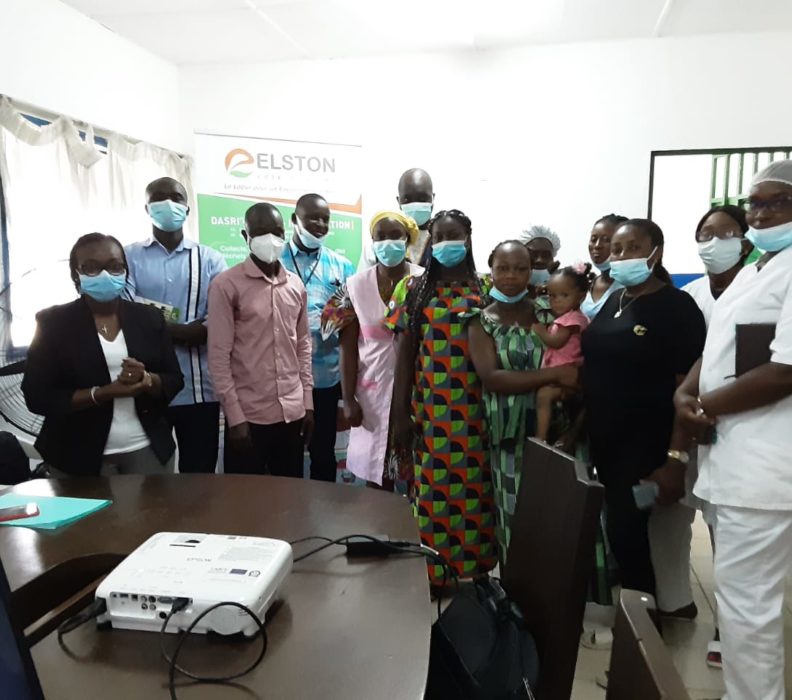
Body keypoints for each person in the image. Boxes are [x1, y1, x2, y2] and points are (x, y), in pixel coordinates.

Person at [674, 160, 792, 700]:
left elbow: (786, 369)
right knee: (742, 600)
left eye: (776, 202)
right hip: (734, 455)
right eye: (755, 204)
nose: (761, 213)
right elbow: (718, 341)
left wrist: (707, 405)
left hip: (763, 465)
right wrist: (686, 392)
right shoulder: (757, 266)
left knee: (749, 608)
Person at [581, 219, 706, 599]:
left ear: (656, 253)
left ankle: (644, 634)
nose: (620, 257)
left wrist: (675, 459)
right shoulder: (616, 300)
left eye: (632, 248)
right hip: (604, 443)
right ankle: (639, 620)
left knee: (627, 533)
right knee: (618, 534)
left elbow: (690, 385)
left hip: (647, 447)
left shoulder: (675, 307)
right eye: (617, 250)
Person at [648, 204, 751, 664]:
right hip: (685, 425)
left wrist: (700, 405)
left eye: (724, 234)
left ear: (745, 240)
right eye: (704, 234)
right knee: (670, 518)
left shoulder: (762, 290)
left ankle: (729, 632)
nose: (713, 243)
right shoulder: (691, 297)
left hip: (739, 433)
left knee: (727, 534)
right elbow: (693, 361)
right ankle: (674, 601)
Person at [387, 209, 496, 583]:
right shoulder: (414, 290)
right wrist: (400, 415)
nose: (449, 242)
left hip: (477, 417)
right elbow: (404, 358)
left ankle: (476, 579)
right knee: (432, 500)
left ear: (468, 238)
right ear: (431, 241)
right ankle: (432, 577)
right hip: (430, 415)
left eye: (456, 235)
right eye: (441, 236)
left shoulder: (486, 289)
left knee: (477, 501)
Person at [22, 233, 184, 476]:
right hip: (75, 454)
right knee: (88, 516)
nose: (105, 275)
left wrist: (147, 380)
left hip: (147, 450)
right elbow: (37, 396)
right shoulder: (53, 323)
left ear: (126, 270)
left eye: (114, 266)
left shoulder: (148, 318)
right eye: (91, 268)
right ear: (75, 273)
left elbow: (174, 378)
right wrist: (102, 393)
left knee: (152, 515)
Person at [468, 240, 578, 564]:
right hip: (508, 432)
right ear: (491, 269)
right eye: (503, 268)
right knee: (514, 515)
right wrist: (555, 376)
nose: (512, 276)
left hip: (559, 426)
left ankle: (555, 599)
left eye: (521, 269)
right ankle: (517, 599)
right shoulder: (479, 321)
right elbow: (493, 378)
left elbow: (578, 359)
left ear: (533, 272)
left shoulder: (550, 312)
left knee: (557, 514)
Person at [125, 177, 227, 473]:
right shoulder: (128, 257)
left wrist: (151, 324)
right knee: (150, 480)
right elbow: (126, 313)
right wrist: (185, 331)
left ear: (187, 208)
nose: (169, 203)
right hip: (146, 389)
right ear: (147, 207)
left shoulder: (209, 259)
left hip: (199, 389)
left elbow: (218, 319)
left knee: (201, 478)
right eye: (159, 197)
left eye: (176, 197)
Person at [208, 203, 313, 477]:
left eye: (277, 232)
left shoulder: (295, 285)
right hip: (248, 418)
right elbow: (219, 356)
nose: (271, 239)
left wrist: (308, 403)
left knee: (289, 502)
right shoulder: (226, 285)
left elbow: (302, 346)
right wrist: (234, 417)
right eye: (262, 231)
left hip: (292, 414)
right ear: (246, 236)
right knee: (246, 507)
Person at [321, 212, 423, 489]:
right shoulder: (356, 286)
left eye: (395, 236)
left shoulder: (423, 282)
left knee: (419, 470)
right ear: (372, 242)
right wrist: (348, 399)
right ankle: (379, 531)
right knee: (376, 476)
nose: (388, 243)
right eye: (381, 237)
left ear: (407, 240)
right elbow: (348, 347)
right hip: (371, 391)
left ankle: (414, 530)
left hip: (418, 392)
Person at [281, 193, 355, 482]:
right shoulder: (275, 260)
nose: (320, 224)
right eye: (312, 217)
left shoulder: (342, 265)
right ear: (294, 220)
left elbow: (349, 324)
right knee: (288, 455)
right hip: (286, 380)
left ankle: (322, 520)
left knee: (324, 455)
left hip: (326, 379)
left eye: (325, 219)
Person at [532, 265, 590, 443]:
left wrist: (540, 331)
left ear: (581, 296)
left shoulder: (573, 320)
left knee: (544, 396)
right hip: (560, 372)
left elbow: (557, 342)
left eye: (564, 295)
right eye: (552, 296)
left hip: (567, 372)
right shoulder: (566, 318)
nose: (556, 301)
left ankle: (541, 437)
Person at [581, 214, 628, 319]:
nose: (597, 245)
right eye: (593, 239)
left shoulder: (629, 286)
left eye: (607, 240)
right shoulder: (588, 283)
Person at [397, 168, 434, 266]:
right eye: (407, 199)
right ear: (398, 201)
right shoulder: (386, 241)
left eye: (422, 198)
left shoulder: (444, 238)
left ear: (433, 198)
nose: (415, 204)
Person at [520, 224, 561, 299]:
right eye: (533, 254)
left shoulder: (565, 294)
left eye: (546, 255)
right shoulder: (508, 292)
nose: (540, 260)